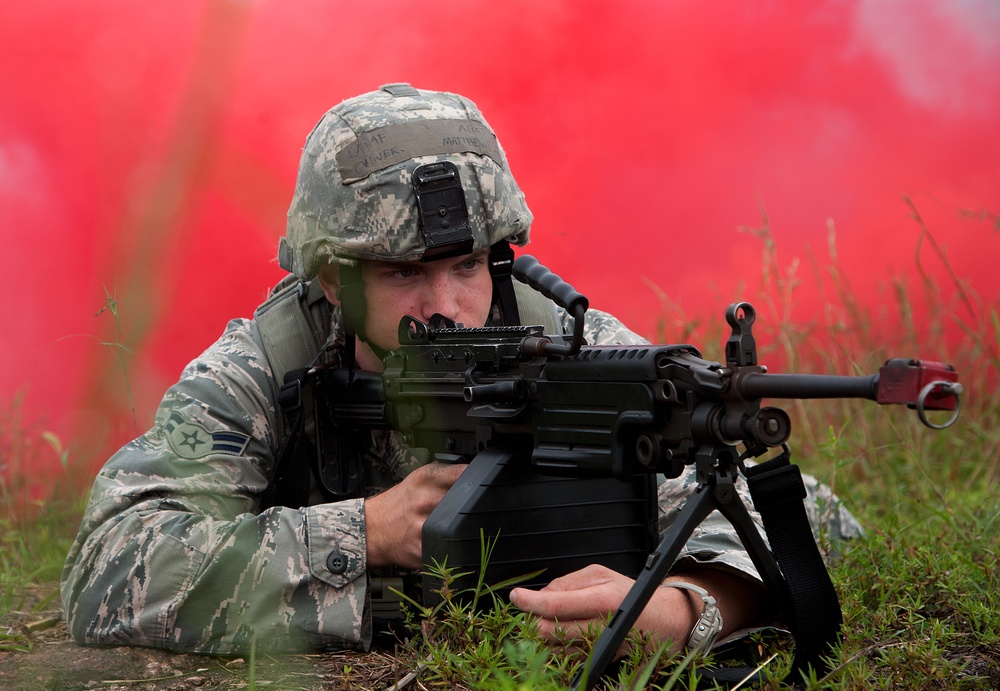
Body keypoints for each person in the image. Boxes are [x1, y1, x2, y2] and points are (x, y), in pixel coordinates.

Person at [61, 83, 861, 658]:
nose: (447, 306)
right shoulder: (268, 367)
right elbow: (108, 565)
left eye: (468, 263)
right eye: (405, 272)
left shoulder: (564, 352)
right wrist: (365, 533)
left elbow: (814, 520)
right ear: (334, 280)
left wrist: (688, 607)